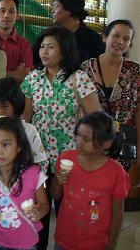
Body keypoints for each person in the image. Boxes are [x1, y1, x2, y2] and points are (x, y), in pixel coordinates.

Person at [21, 26, 101, 249]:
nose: (44, 51)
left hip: (70, 160)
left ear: (64, 51)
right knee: (38, 215)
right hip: (38, 160)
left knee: (70, 214)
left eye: (51, 47)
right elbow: (26, 118)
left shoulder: (79, 79)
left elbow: (95, 119)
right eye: (42, 46)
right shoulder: (33, 78)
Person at [51, 112, 130, 250]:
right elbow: (55, 195)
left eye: (86, 139)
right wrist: (57, 182)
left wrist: (111, 243)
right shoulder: (66, 159)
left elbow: (117, 213)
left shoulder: (117, 174)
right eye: (78, 135)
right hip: (64, 239)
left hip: (95, 244)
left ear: (106, 143)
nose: (78, 142)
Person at [0, 117, 50, 249]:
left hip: (26, 243)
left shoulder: (33, 174)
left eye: (6, 144)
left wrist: (39, 212)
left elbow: (44, 204)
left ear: (19, 146)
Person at [81, 20, 140, 168]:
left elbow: (139, 111)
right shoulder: (85, 69)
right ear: (105, 37)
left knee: (120, 188)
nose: (120, 41)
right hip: (93, 142)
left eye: (126, 39)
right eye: (116, 36)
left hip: (124, 145)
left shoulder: (135, 71)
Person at [0, 77, 48, 172]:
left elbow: (40, 162)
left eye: (5, 106)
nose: (0, 111)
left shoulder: (29, 130)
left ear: (16, 104)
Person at [33, 0, 105, 67]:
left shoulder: (94, 41)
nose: (52, 11)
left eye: (56, 6)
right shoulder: (46, 35)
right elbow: (33, 61)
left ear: (70, 8)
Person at [0, 0, 33, 83]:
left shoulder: (24, 45)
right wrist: (14, 73)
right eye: (2, 11)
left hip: (13, 95)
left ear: (17, 16)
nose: (6, 15)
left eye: (11, 11)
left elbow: (25, 76)